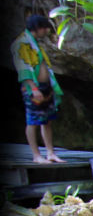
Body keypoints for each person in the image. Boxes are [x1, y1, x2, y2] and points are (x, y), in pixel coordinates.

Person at [11, 15, 65, 163]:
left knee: (47, 121)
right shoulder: (21, 43)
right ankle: (36, 155)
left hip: (45, 87)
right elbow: (23, 68)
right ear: (38, 28)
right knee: (33, 121)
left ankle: (50, 153)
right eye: (46, 28)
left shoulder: (34, 43)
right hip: (33, 88)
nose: (47, 31)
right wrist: (33, 88)